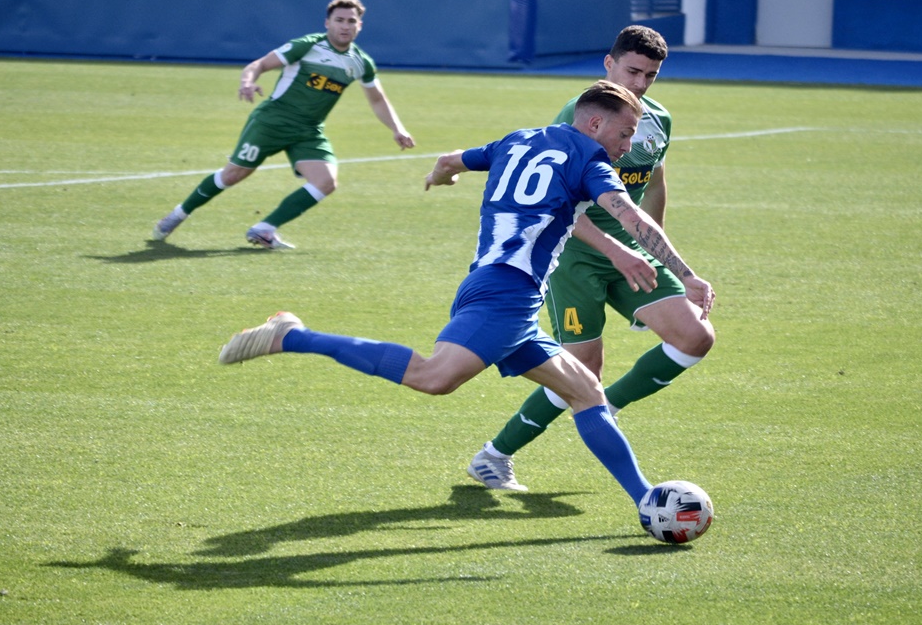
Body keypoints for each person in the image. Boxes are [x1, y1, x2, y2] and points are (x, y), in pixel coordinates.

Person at [217, 80, 713, 511]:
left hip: (503, 290)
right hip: (505, 294)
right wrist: (686, 275)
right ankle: (294, 336)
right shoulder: (591, 160)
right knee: (433, 377)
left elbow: (450, 160)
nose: (629, 147)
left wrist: (441, 176)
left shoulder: (517, 140)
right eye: (625, 134)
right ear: (596, 124)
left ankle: (645, 498)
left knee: (586, 391)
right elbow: (632, 218)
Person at [466, 25, 715, 491]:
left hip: (633, 252)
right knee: (582, 368)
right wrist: (618, 250)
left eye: (651, 76)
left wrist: (663, 257)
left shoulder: (656, 119)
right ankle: (494, 456)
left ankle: (607, 406)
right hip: (575, 256)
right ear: (609, 64)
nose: (640, 84)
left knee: (694, 336)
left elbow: (654, 186)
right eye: (633, 71)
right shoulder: (581, 116)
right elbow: (556, 201)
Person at [151, 0, 415, 249]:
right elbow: (259, 64)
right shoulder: (308, 46)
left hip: (308, 130)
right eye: (339, 20)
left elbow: (378, 100)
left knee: (326, 182)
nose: (345, 26)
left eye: (351, 21)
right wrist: (247, 82)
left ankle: (265, 229)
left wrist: (397, 128)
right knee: (233, 174)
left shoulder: (361, 62)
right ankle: (177, 214)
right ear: (327, 23)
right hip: (272, 121)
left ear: (360, 26)